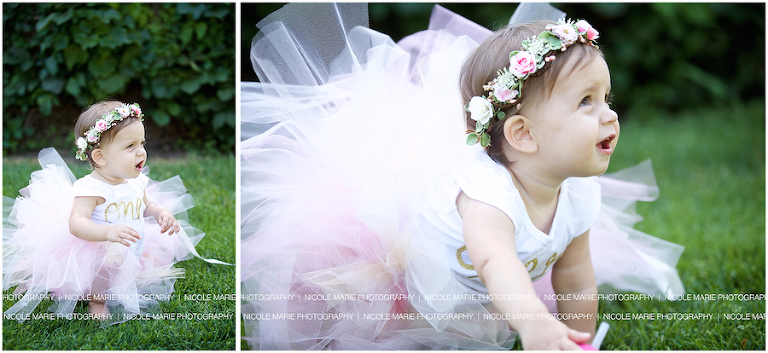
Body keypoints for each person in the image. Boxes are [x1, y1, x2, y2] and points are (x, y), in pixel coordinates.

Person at [241, 3, 684, 350]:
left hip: (475, 281)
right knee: (392, 329)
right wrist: (534, 328)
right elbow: (497, 263)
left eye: (606, 97)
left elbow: (576, 279)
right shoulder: (488, 197)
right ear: (524, 134)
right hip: (412, 254)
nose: (609, 114)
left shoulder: (582, 195)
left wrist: (574, 339)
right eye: (586, 101)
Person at [3, 100, 224, 326]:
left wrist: (160, 212)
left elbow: (145, 204)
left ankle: (122, 281)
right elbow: (77, 222)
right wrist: (107, 233)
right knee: (103, 272)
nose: (141, 152)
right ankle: (97, 302)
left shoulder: (134, 182)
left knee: (124, 267)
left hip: (130, 243)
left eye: (142, 143)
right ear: (100, 157)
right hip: (99, 247)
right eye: (130, 146)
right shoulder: (92, 189)